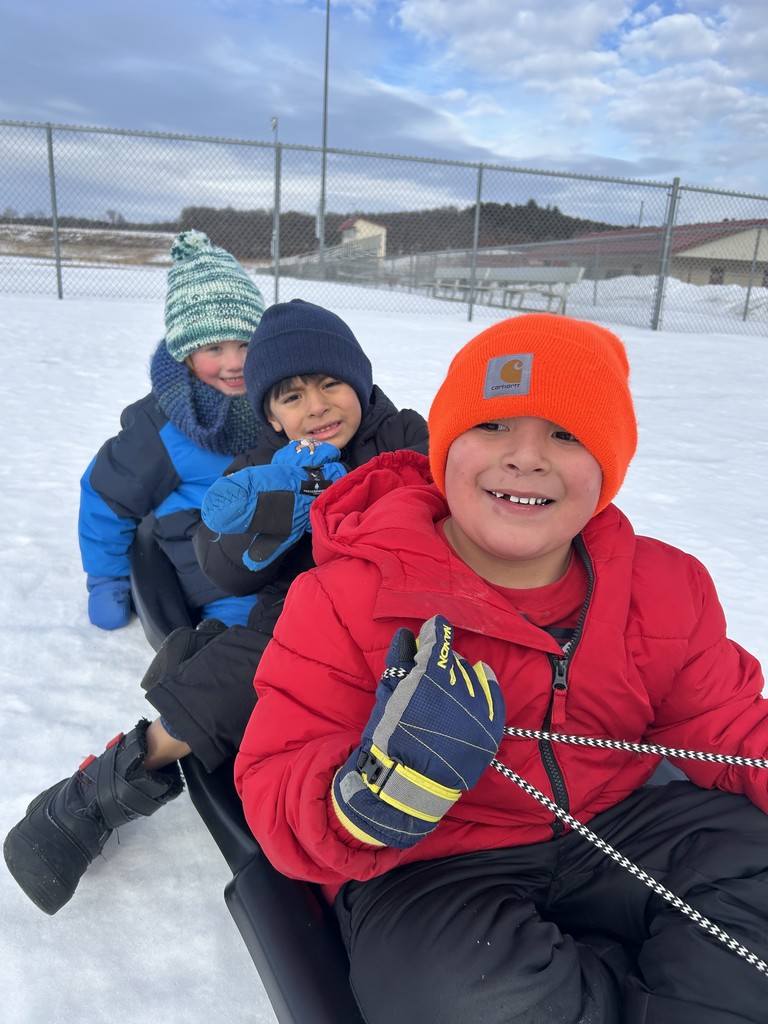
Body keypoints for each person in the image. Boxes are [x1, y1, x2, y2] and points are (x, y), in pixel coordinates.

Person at [234, 312, 768, 1024]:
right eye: (492, 427)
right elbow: (274, 776)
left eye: (566, 434)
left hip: (622, 821)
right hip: (436, 865)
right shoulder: (344, 598)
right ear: (445, 447)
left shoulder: (663, 586)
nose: (526, 457)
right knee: (462, 994)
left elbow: (726, 722)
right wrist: (362, 799)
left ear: (607, 469)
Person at [3, 298, 428, 917]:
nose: (315, 406)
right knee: (255, 666)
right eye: (291, 397)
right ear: (273, 417)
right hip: (310, 614)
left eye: (330, 384)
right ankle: (100, 790)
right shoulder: (264, 464)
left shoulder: (405, 436)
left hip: (413, 610)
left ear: (358, 382)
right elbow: (221, 560)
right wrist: (286, 500)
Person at [78, 228, 265, 631]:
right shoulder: (160, 427)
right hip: (210, 561)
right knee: (248, 633)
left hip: (276, 541)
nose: (234, 362)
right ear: (185, 353)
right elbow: (107, 497)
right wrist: (105, 578)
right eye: (215, 349)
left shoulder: (277, 400)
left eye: (245, 345)